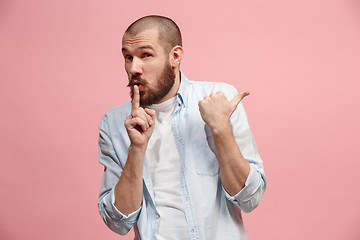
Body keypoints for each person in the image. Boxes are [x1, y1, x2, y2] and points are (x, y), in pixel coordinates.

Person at [98, 15, 266, 240]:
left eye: (146, 55)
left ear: (175, 56)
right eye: (128, 57)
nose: (133, 68)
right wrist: (136, 149)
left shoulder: (219, 99)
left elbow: (249, 199)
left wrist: (220, 129)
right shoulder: (114, 122)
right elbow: (118, 221)